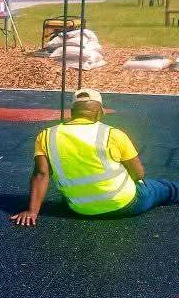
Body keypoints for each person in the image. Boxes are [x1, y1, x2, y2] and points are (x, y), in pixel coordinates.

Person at [12, 89, 179, 226]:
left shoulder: (47, 135)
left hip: (80, 208)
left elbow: (41, 174)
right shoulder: (113, 134)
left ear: (72, 112)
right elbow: (139, 174)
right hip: (125, 204)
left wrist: (32, 211)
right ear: (100, 112)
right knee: (164, 188)